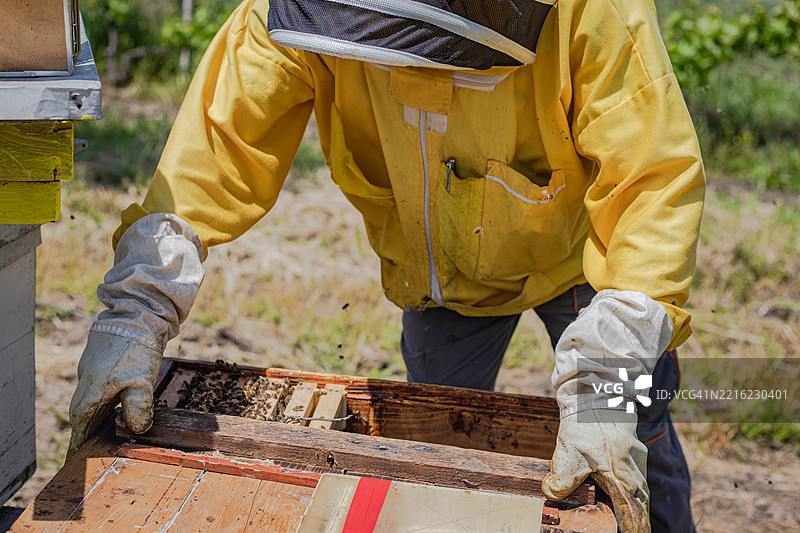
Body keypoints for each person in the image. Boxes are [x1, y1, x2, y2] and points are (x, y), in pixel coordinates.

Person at [67, 1, 704, 531]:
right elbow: (215, 149)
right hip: (442, 277)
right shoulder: (286, 13)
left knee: (629, 437)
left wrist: (611, 361)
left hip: (586, 263)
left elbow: (649, 178)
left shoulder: (595, 10)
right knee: (439, 450)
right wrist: (137, 310)